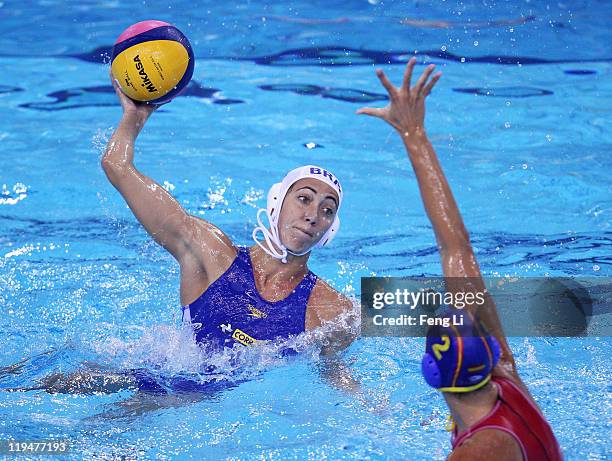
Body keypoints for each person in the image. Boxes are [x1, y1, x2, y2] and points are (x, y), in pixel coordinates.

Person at [357, 58, 563, 460]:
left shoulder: (482, 448)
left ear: (429, 374)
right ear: (490, 352)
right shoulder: (504, 378)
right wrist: (414, 134)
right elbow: (456, 247)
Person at [100, 70, 355, 356]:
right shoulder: (210, 252)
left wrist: (413, 137)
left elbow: (412, 310)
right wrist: (133, 119)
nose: (312, 215)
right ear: (276, 204)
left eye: (327, 209)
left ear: (330, 230)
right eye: (303, 199)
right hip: (149, 385)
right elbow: (117, 166)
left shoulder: (331, 308)